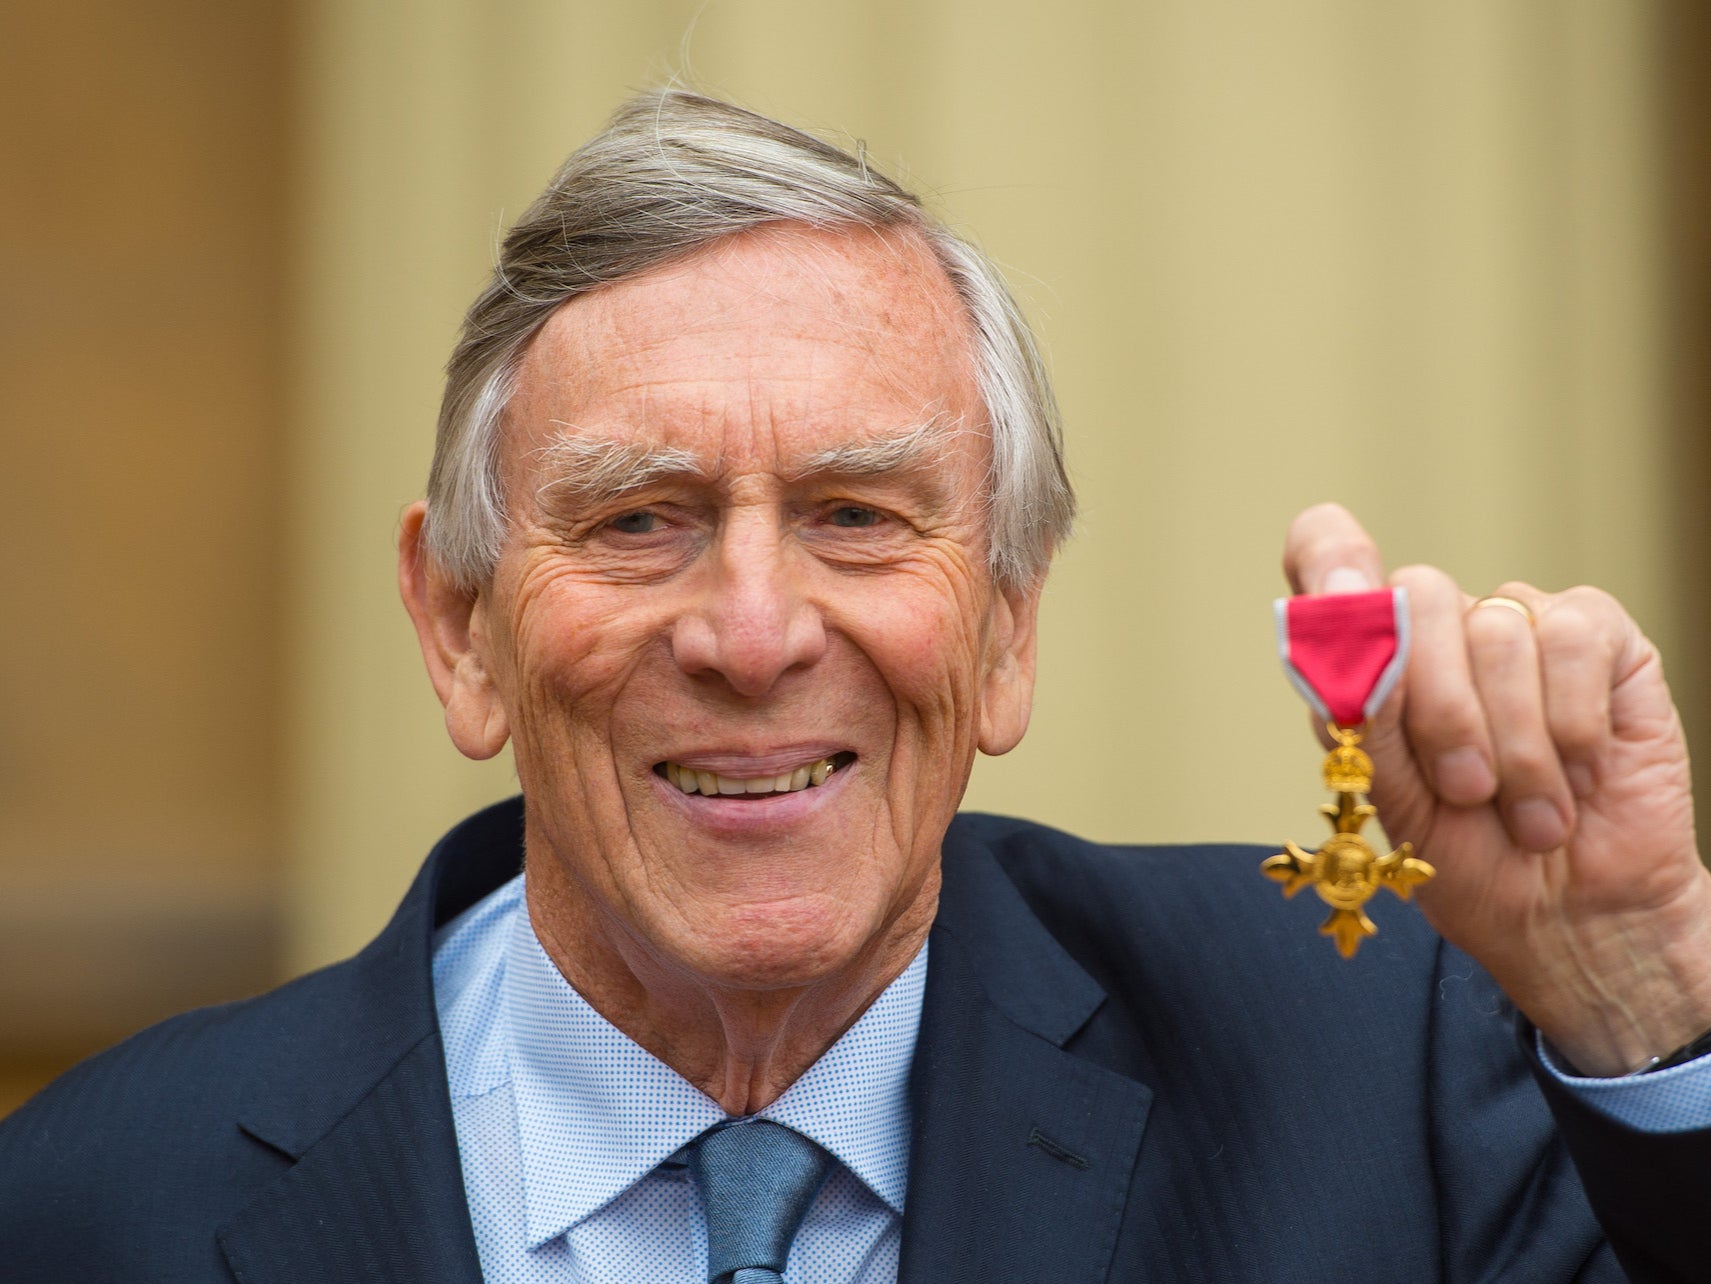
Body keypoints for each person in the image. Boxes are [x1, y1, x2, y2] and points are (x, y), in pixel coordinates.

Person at [2, 89, 1707, 1283]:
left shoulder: (1367, 1063)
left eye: (857, 517)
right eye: (642, 518)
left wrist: (1639, 1004)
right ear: (462, 628)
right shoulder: (91, 1204)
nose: (753, 634)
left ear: (1006, 629)